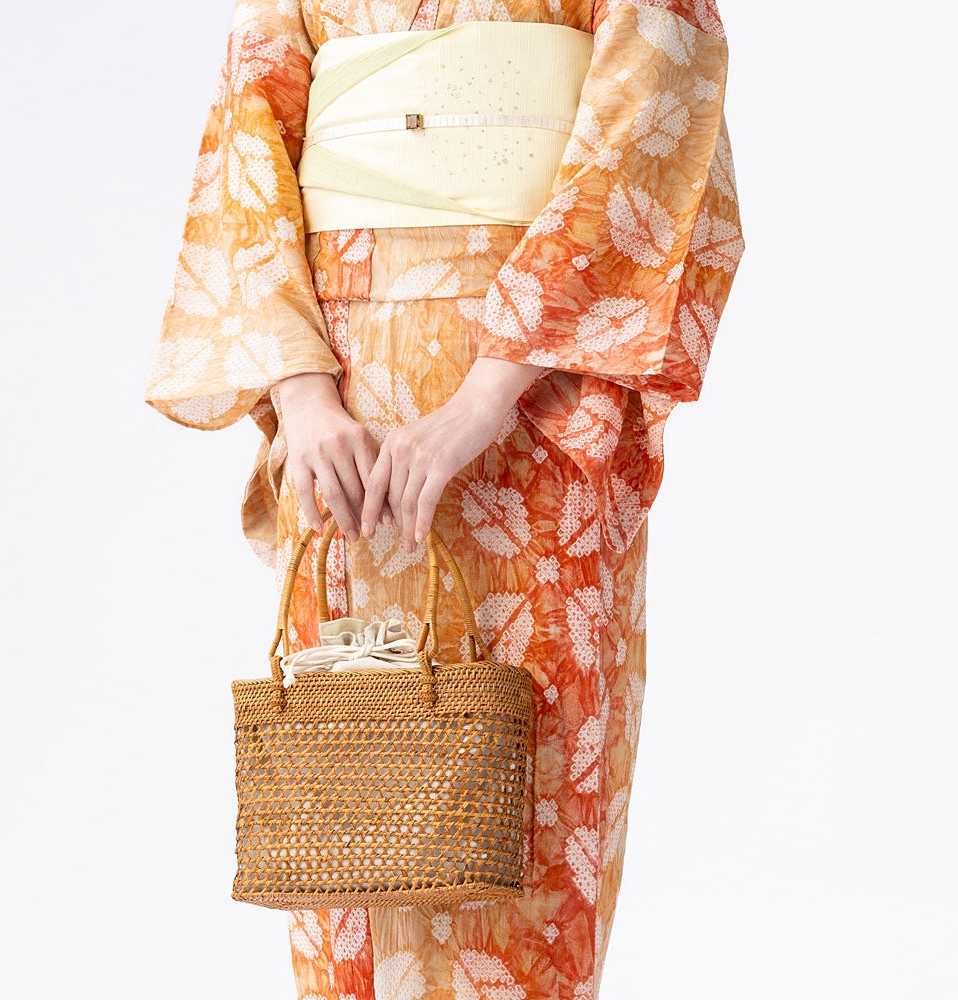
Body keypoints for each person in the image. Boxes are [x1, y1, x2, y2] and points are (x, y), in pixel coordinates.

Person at [144, 0, 745, 996]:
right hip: (345, 390)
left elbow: (656, 97)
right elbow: (249, 130)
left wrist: (484, 397)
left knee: (538, 778)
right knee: (350, 763)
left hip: (542, 395)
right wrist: (302, 398)